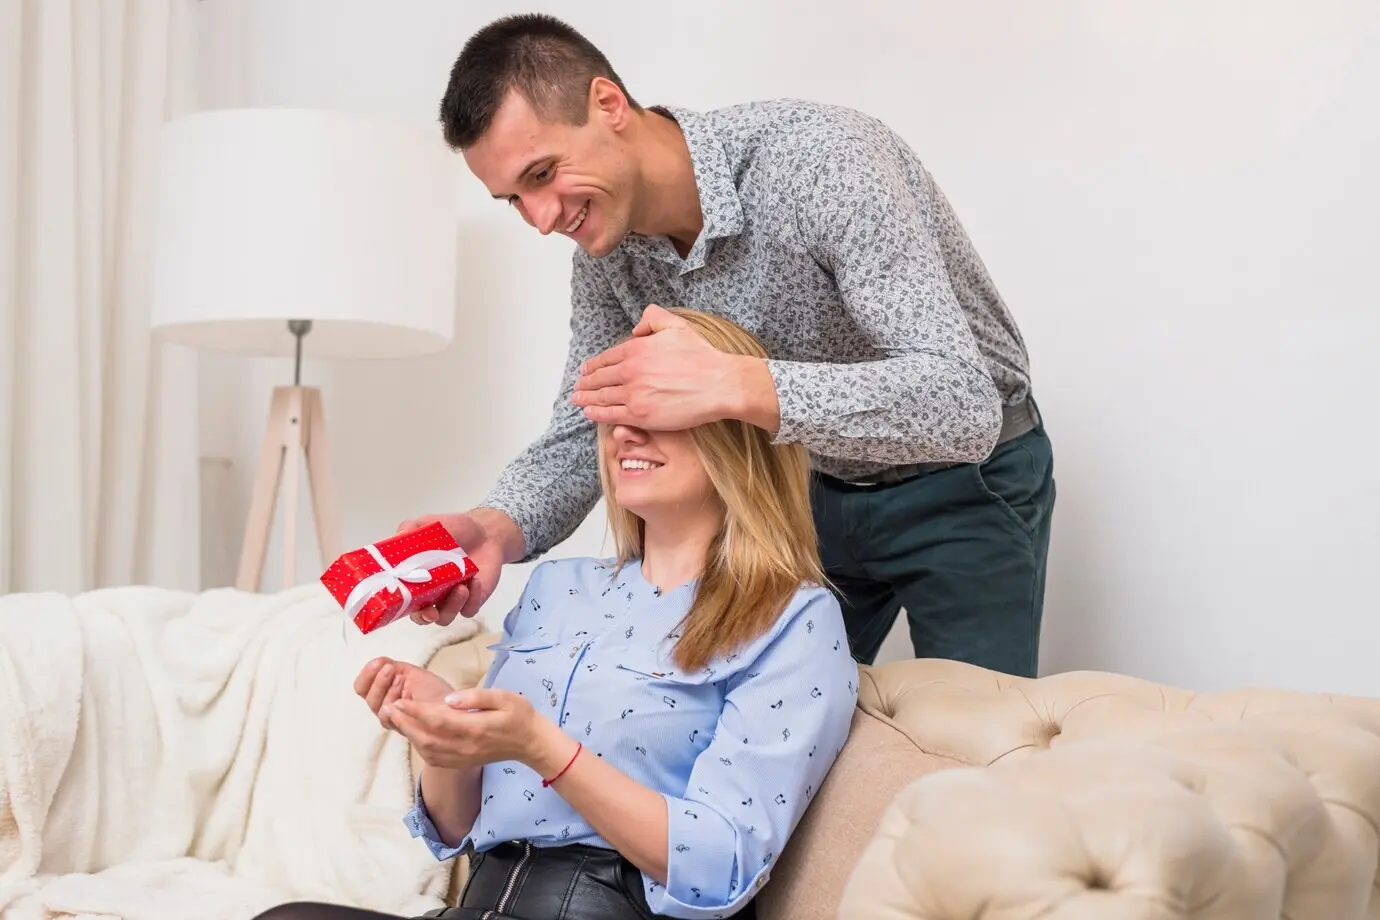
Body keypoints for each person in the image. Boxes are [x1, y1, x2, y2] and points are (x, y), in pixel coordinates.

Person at [406, 14, 1056, 677]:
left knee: (976, 728)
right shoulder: (606, 250)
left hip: (966, 481)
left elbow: (962, 402)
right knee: (768, 716)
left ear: (608, 104)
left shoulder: (823, 160)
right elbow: (588, 421)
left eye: (544, 173)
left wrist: (732, 383)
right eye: (514, 199)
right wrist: (496, 526)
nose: (542, 219)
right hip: (805, 490)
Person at [255, 310, 857, 920]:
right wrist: (447, 740)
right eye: (616, 413)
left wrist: (543, 747)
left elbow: (721, 866)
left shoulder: (795, 619)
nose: (625, 434)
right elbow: (457, 827)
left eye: (654, 409)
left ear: (737, 432)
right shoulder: (558, 587)